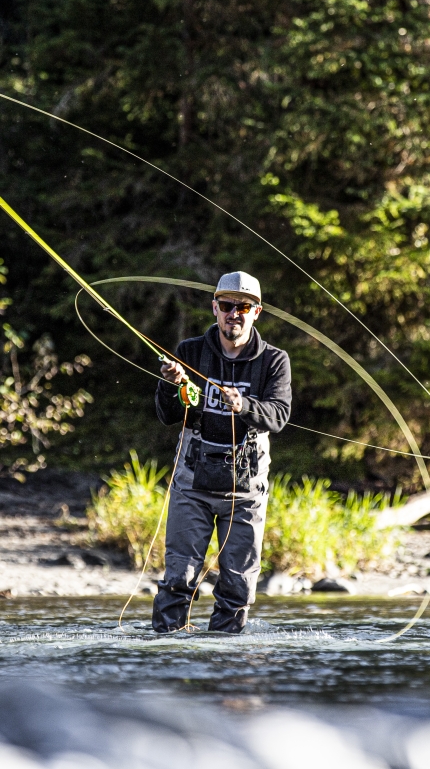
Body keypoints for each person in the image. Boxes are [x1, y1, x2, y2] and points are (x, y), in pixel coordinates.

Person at [152, 271, 292, 633]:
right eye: (228, 306)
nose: (235, 313)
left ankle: (225, 664)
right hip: (191, 485)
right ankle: (167, 657)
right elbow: (169, 416)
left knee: (237, 587)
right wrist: (170, 386)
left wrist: (243, 404)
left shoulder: (275, 361)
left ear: (256, 312)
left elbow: (278, 416)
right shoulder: (189, 352)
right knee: (178, 579)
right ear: (215, 308)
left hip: (245, 493)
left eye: (244, 306)